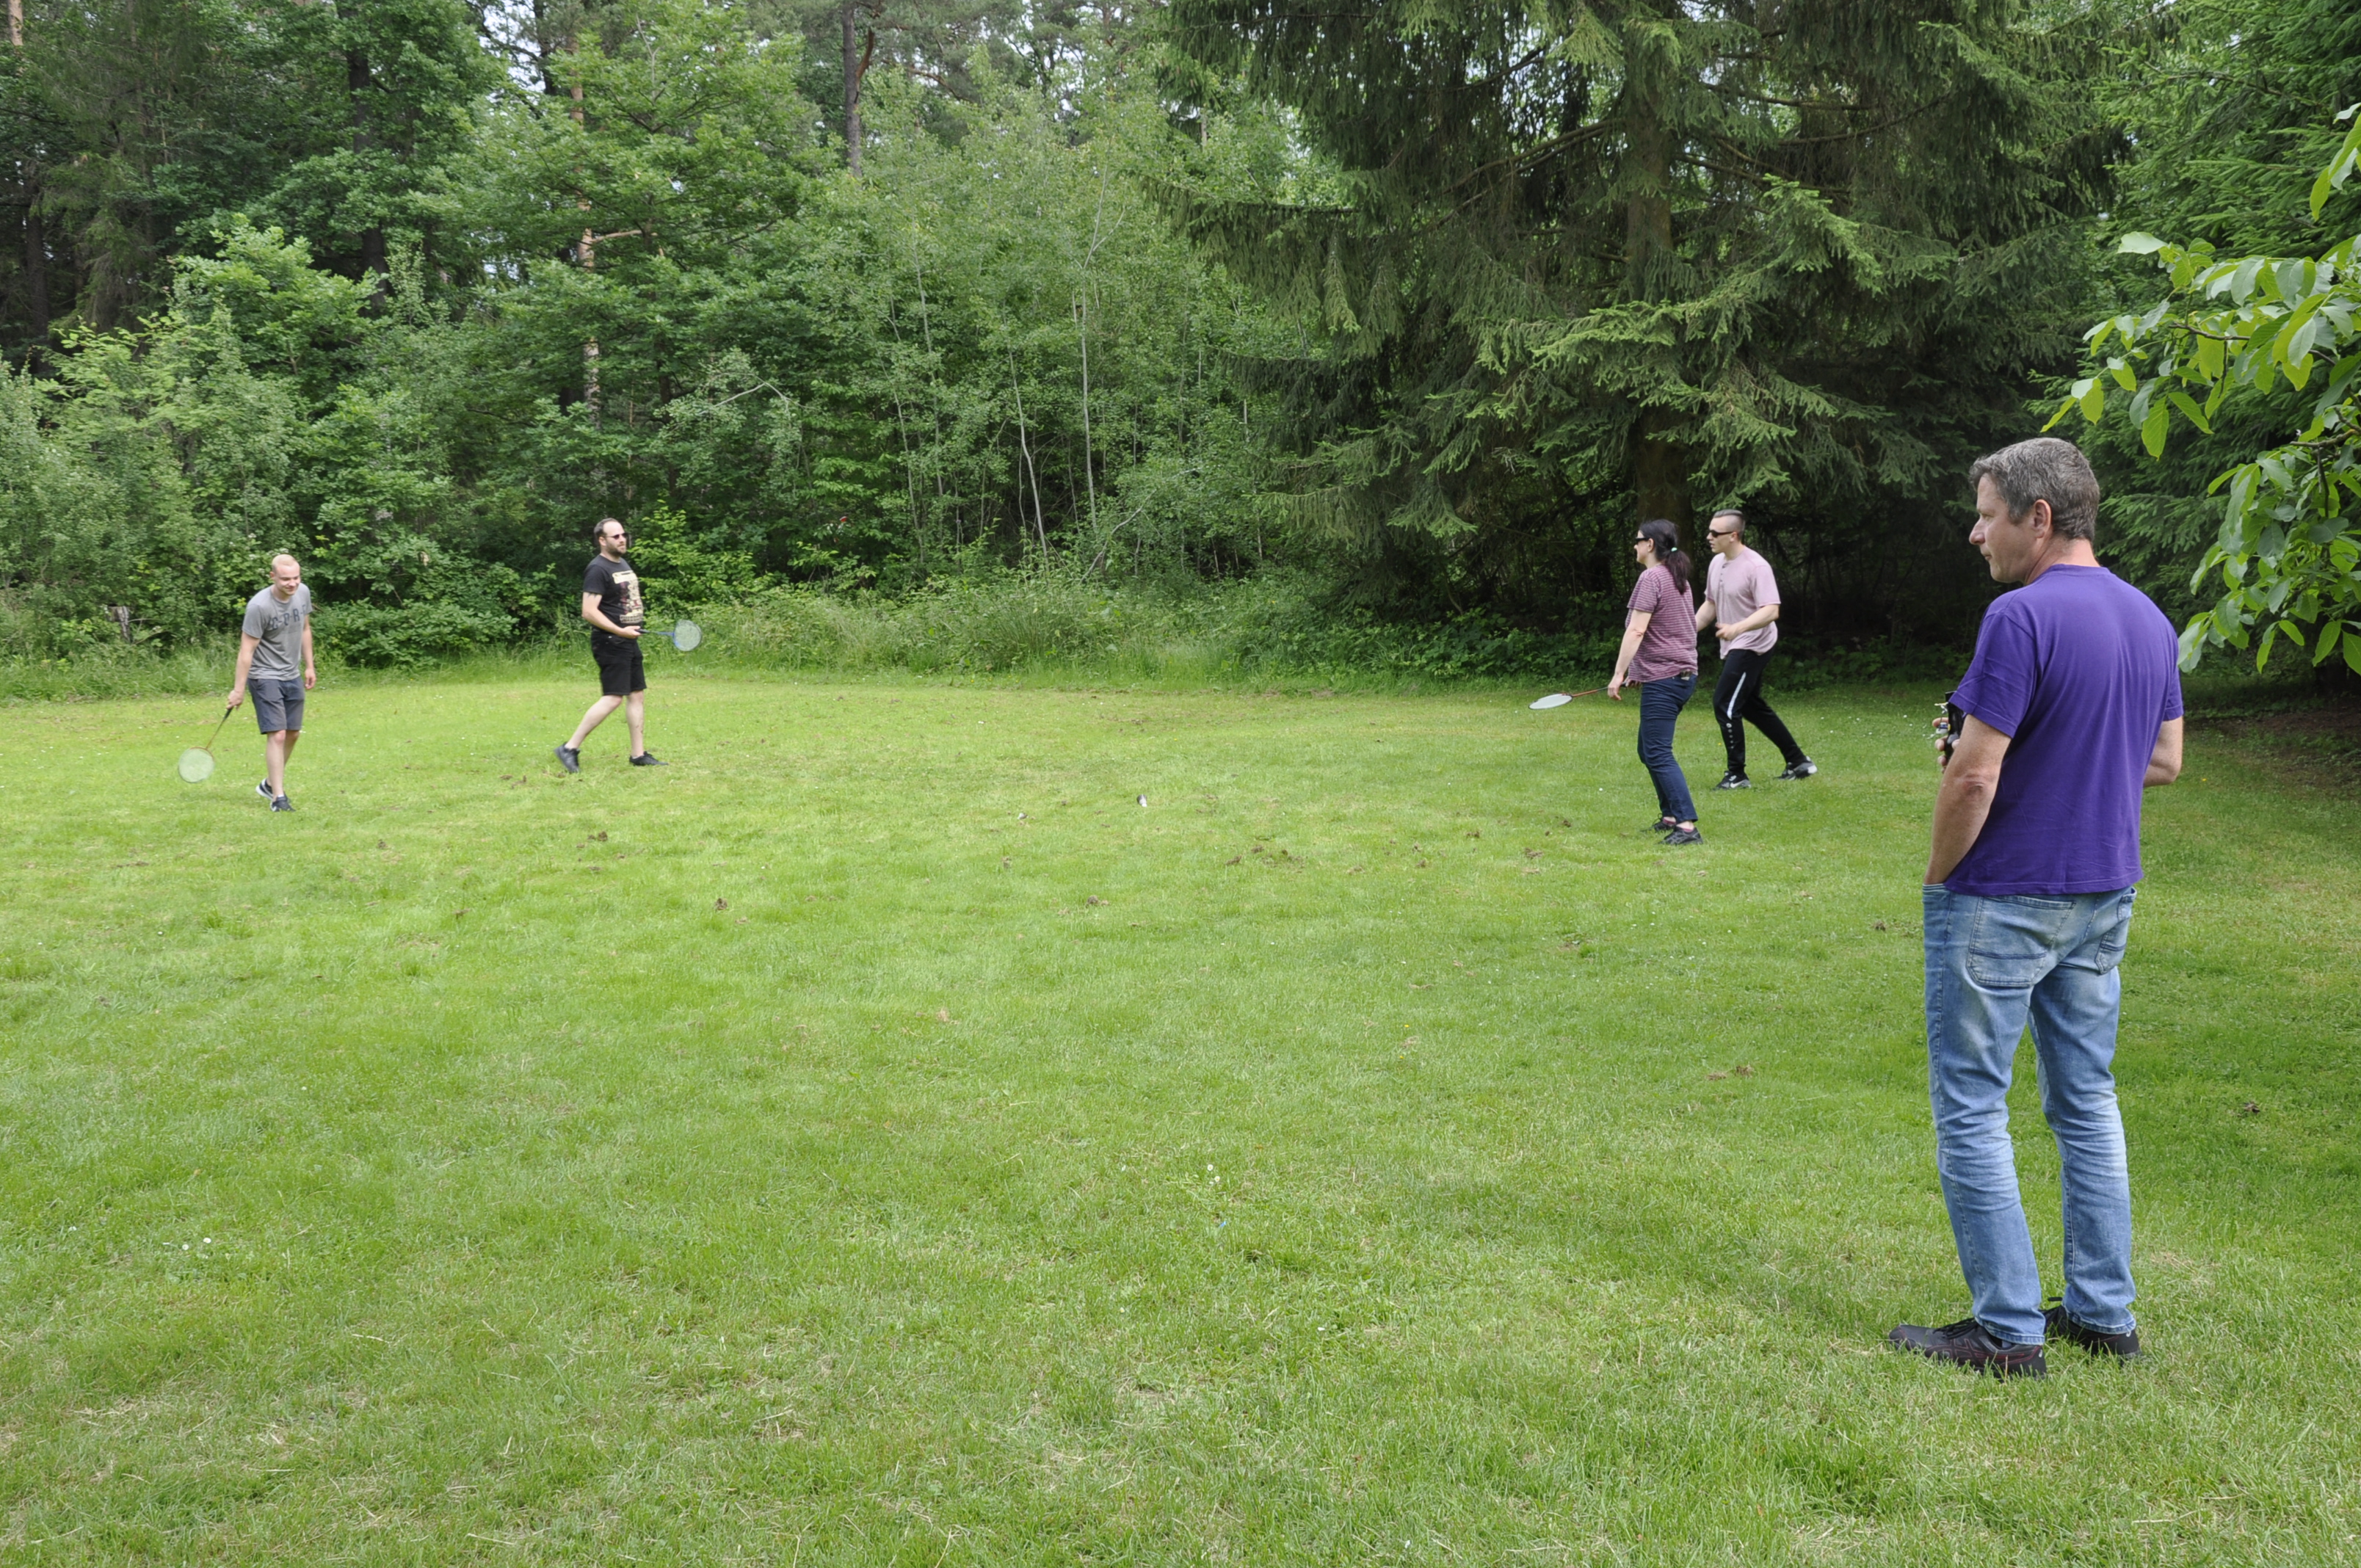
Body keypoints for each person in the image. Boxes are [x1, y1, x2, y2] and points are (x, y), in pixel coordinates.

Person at [1888, 437, 2182, 1378]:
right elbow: (2164, 759)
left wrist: (1938, 879)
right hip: (2103, 892)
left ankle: (2007, 1333)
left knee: (1973, 1107)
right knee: (2087, 1102)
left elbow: (1974, 777)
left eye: (1986, 516)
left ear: (2039, 517)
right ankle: (2103, 1315)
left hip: (2004, 895)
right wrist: (2059, 760)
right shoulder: (2148, 617)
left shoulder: (2019, 616)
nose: (1976, 535)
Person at [1694, 509, 1815, 788]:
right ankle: (1799, 762)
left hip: (1754, 644)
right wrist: (1685, 632)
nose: (1709, 537)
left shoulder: (1756, 567)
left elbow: (1771, 611)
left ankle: (1737, 775)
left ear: (1733, 536)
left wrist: (1737, 628)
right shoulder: (1717, 563)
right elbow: (1710, 605)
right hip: (1736, 642)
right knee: (1750, 705)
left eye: (1715, 533)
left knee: (1725, 703)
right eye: (1709, 531)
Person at [1606, 518, 1702, 845]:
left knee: (1658, 752)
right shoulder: (1677, 578)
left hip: (1667, 679)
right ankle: (1671, 816)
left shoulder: (1652, 577)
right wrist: (1639, 671)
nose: (1634, 546)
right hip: (1680, 676)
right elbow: (1670, 631)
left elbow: (1637, 630)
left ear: (1649, 545)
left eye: (1637, 540)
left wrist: (1619, 673)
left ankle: (1686, 827)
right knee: (1648, 750)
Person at [556, 518, 666, 773]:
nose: (622, 539)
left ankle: (638, 755)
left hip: (628, 640)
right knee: (613, 698)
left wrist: (630, 629)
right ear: (602, 540)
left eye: (623, 535)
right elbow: (588, 611)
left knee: (636, 695)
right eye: (615, 536)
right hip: (610, 642)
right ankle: (569, 748)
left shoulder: (621, 563)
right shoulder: (597, 569)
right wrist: (619, 630)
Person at [225, 553, 316, 813]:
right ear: (272, 576)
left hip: (291, 674)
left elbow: (305, 629)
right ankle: (278, 798)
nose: (292, 583)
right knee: (277, 734)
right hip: (264, 675)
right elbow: (246, 651)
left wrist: (309, 665)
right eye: (286, 579)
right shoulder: (259, 606)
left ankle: (268, 784)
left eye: (296, 578)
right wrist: (238, 690)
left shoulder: (303, 593)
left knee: (293, 733)